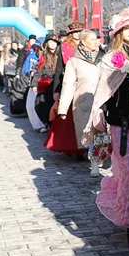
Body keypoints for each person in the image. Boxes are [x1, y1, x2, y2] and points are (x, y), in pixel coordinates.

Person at [89, 6, 129, 249]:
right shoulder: (110, 59)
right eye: (126, 28)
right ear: (119, 33)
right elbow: (102, 92)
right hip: (121, 125)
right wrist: (99, 112)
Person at [58, 30, 104, 174]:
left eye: (96, 38)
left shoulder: (105, 58)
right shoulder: (74, 62)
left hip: (103, 102)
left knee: (103, 133)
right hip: (83, 103)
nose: (96, 41)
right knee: (89, 133)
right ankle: (94, 164)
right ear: (83, 42)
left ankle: (101, 158)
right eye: (92, 39)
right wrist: (63, 108)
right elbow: (68, 85)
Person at [44, 25, 83, 157]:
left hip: (85, 85)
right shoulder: (65, 48)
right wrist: (57, 90)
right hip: (69, 84)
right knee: (69, 119)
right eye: (75, 32)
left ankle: (86, 147)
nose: (78, 34)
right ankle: (72, 146)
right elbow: (59, 70)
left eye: (80, 32)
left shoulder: (88, 45)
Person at [33, 35, 61, 133]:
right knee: (41, 106)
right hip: (47, 85)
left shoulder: (60, 53)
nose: (52, 44)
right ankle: (47, 123)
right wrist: (34, 84)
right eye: (50, 42)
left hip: (58, 83)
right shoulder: (45, 56)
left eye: (54, 42)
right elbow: (39, 71)